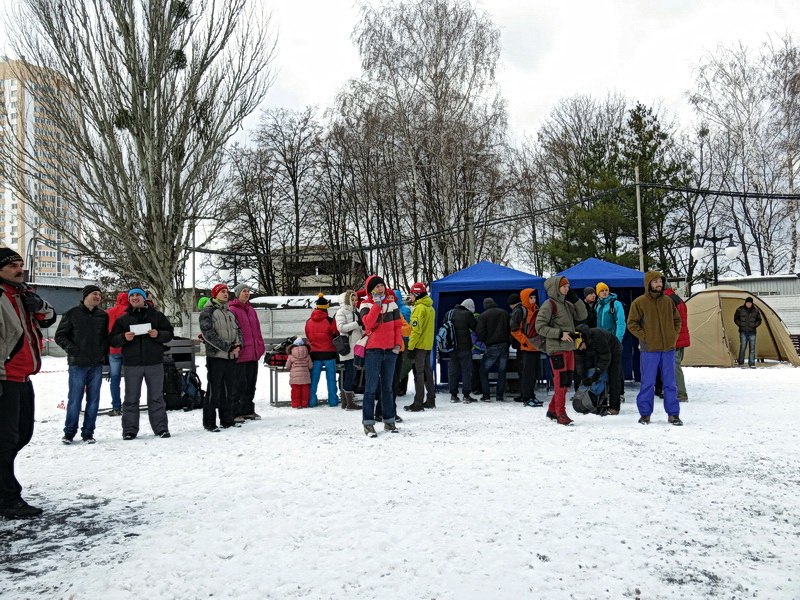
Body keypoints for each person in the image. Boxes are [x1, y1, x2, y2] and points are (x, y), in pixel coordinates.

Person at [0, 248, 56, 519]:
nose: (19, 269)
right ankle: (7, 497)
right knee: (6, 440)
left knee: (22, 435)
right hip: (5, 377)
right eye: (12, 265)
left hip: (24, 376)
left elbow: (48, 318)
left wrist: (40, 306)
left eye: (21, 264)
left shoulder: (23, 294)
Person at [110, 288, 174, 439]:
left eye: (138, 295)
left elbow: (169, 333)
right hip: (132, 364)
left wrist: (158, 334)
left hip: (154, 363)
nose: (134, 297)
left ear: (144, 298)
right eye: (132, 295)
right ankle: (129, 430)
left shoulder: (157, 316)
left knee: (156, 397)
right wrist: (124, 337)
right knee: (131, 399)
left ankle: (161, 428)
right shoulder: (123, 319)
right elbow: (112, 339)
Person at [626, 271, 682, 426]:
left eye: (660, 281)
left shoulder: (668, 301)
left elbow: (677, 320)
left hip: (668, 349)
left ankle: (673, 414)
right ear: (649, 283)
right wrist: (646, 337)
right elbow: (632, 324)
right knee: (648, 383)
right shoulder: (639, 302)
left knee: (670, 383)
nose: (659, 284)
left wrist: (673, 335)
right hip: (649, 349)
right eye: (655, 281)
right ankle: (645, 414)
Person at [55, 284, 109, 444]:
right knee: (74, 399)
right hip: (77, 363)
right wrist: (73, 350)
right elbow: (60, 336)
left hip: (96, 364)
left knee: (93, 400)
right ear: (85, 296)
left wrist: (103, 353)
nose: (97, 296)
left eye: (99, 294)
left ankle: (88, 433)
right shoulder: (72, 313)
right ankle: (69, 433)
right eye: (94, 293)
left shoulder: (103, 316)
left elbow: (104, 338)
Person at [535, 276, 588, 426]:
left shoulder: (567, 304)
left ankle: (552, 410)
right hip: (557, 349)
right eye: (564, 286)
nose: (567, 288)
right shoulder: (548, 305)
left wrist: (576, 299)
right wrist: (559, 334)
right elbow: (539, 327)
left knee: (566, 381)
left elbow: (583, 315)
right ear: (555, 288)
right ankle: (560, 413)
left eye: (568, 286)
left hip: (569, 348)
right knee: (560, 382)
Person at [359, 275, 402, 438]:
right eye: (377, 286)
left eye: (382, 285)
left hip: (390, 351)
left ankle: (389, 419)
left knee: (388, 388)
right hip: (373, 351)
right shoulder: (365, 304)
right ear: (371, 289)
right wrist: (376, 306)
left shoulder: (392, 304)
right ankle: (368, 423)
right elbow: (368, 324)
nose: (380, 288)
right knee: (370, 389)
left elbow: (398, 326)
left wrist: (397, 345)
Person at [199, 283, 242, 432]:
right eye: (222, 292)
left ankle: (227, 419)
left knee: (229, 389)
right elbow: (208, 334)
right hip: (216, 356)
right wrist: (227, 347)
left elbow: (238, 331)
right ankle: (209, 422)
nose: (225, 294)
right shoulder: (208, 312)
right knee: (214, 391)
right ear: (215, 294)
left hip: (231, 357)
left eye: (226, 291)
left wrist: (238, 345)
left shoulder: (230, 313)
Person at [227, 283, 265, 420]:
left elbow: (257, 330)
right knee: (239, 384)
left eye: (248, 291)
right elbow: (233, 331)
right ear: (237, 293)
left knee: (251, 383)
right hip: (241, 353)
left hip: (253, 352)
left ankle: (248, 410)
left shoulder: (251, 310)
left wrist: (260, 345)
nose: (247, 293)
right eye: (244, 291)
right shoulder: (232, 310)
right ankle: (236, 412)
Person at [575, 324, 623, 414]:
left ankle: (614, 407)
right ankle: (595, 400)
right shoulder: (578, 344)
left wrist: (598, 371)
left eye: (581, 346)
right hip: (597, 351)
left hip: (613, 349)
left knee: (614, 376)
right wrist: (583, 377)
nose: (580, 349)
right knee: (590, 372)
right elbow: (580, 363)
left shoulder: (597, 337)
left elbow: (605, 357)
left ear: (584, 341)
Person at [403, 282, 435, 412]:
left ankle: (418, 403)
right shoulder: (430, 308)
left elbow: (415, 330)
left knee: (419, 374)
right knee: (427, 372)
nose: (410, 297)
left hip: (419, 346)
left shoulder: (419, 308)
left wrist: (410, 347)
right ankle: (431, 399)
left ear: (416, 294)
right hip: (428, 345)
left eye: (411, 294)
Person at [305, 294, 339, 408]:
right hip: (329, 354)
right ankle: (333, 401)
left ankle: (312, 401)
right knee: (331, 379)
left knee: (314, 379)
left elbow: (308, 336)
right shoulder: (330, 321)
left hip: (315, 354)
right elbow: (335, 334)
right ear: (326, 308)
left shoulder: (309, 321)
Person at [510, 289, 542, 407]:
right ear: (525, 298)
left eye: (534, 297)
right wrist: (525, 341)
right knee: (527, 374)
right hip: (526, 349)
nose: (533, 300)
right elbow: (514, 330)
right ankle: (526, 397)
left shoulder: (537, 309)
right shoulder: (520, 311)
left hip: (536, 347)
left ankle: (531, 395)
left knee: (534, 374)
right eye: (531, 298)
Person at [594, 282, 627, 400]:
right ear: (598, 293)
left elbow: (621, 323)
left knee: (616, 368)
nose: (604, 292)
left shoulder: (615, 304)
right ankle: (605, 391)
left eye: (606, 290)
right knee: (604, 367)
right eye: (602, 290)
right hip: (601, 343)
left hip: (613, 341)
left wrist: (617, 340)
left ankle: (619, 392)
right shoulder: (597, 305)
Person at [475, 296, 511, 402]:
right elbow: (511, 329)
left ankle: (486, 395)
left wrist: (485, 340)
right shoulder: (504, 313)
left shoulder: (483, 315)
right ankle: (499, 396)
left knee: (483, 370)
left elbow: (479, 332)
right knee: (502, 371)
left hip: (492, 346)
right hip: (504, 345)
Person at [334, 289, 363, 411]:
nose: (355, 302)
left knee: (352, 374)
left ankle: (346, 402)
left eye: (356, 300)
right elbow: (341, 327)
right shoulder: (341, 312)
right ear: (347, 300)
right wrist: (357, 324)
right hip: (347, 346)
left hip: (355, 347)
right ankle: (348, 402)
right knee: (350, 374)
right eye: (352, 300)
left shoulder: (356, 312)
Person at [447, 298, 478, 403]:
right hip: (465, 348)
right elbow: (475, 328)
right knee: (466, 371)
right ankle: (466, 395)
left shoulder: (449, 313)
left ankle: (453, 395)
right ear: (469, 308)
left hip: (451, 347)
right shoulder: (468, 315)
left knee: (453, 371)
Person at [105, 292, 129, 416]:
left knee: (115, 380)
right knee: (130, 380)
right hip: (129, 350)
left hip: (113, 350)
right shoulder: (130, 311)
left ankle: (116, 407)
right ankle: (129, 405)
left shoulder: (108, 312)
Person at [664, 286, 690, 401]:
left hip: (675, 339)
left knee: (675, 367)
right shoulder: (677, 299)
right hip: (681, 337)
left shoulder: (668, 300)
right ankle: (677, 392)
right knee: (674, 366)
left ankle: (681, 393)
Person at [734, 296, 762, 369]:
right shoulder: (740, 310)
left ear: (752, 303)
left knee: (752, 349)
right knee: (743, 347)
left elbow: (759, 320)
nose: (748, 304)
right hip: (743, 332)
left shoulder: (756, 311)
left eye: (750, 303)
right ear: (745, 303)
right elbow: (735, 318)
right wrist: (740, 324)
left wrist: (754, 325)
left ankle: (752, 363)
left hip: (752, 332)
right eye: (747, 303)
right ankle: (741, 363)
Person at [285, 338, 312, 408]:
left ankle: (296, 404)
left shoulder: (291, 355)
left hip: (295, 378)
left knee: (295, 391)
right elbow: (310, 366)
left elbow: (287, 366)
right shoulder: (308, 355)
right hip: (305, 377)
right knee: (305, 391)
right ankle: (304, 404)